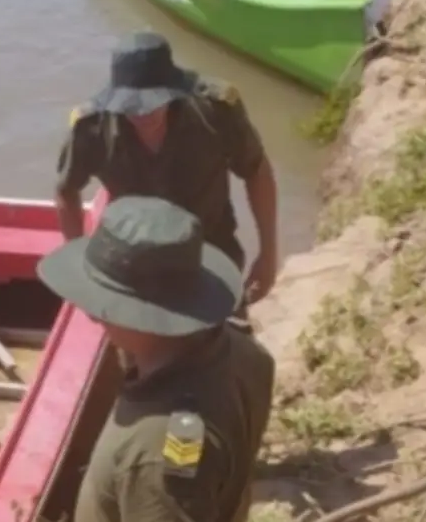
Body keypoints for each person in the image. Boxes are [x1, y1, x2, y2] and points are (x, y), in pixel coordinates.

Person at [37, 196, 275, 522]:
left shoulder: (156, 453)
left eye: (104, 305)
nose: (93, 315)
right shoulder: (247, 352)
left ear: (138, 313)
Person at [54, 31, 280, 319]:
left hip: (212, 259)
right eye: (131, 105)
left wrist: (268, 254)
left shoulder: (214, 110)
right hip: (135, 266)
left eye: (153, 101)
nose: (142, 113)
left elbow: (256, 170)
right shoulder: (92, 128)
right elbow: (66, 190)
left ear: (173, 89)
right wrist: (80, 267)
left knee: (224, 337)